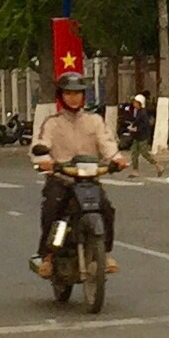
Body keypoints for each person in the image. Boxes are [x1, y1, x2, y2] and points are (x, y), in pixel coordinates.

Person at [27, 80, 125, 279]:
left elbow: (106, 143)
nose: (73, 97)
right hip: (61, 178)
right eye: (68, 93)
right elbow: (41, 145)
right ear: (61, 96)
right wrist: (45, 161)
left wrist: (117, 159)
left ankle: (104, 254)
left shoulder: (94, 120)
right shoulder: (52, 122)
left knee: (106, 209)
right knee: (52, 211)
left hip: (89, 179)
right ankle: (48, 257)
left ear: (84, 96)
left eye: (77, 93)